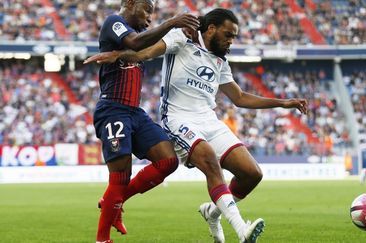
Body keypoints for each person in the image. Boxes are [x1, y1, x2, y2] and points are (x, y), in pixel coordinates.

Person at [85, 8, 308, 243]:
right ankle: (242, 231)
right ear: (211, 29)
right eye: (228, 35)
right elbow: (145, 53)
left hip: (208, 120)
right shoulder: (182, 37)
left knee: (252, 174)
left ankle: (212, 213)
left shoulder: (220, 60)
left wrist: (284, 103)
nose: (231, 41)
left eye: (234, 36)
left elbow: (240, 97)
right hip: (178, 118)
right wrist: (118, 55)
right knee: (210, 162)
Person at [88, 1, 199, 242]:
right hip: (113, 109)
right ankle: (102, 239)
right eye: (147, 9)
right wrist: (172, 22)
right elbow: (134, 43)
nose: (150, 17)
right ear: (129, 3)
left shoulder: (141, 36)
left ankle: (113, 202)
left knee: (168, 160)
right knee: (120, 175)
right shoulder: (113, 22)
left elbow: (143, 45)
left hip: (135, 112)